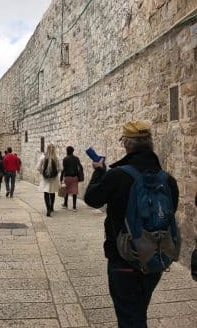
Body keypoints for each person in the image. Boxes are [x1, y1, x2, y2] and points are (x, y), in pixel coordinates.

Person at [84, 120, 179, 328]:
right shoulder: (167, 180)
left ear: (126, 144)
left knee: (129, 318)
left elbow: (92, 199)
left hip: (123, 260)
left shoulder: (117, 175)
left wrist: (99, 171)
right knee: (138, 311)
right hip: (154, 259)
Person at [37, 143, 60, 217]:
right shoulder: (56, 158)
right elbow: (59, 168)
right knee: (52, 192)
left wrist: (43, 173)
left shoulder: (43, 157)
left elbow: (38, 167)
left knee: (46, 193)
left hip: (45, 178)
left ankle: (48, 209)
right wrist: (55, 173)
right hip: (54, 178)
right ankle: (52, 207)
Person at [60, 146, 83, 211]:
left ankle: (65, 204)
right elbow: (80, 167)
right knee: (74, 192)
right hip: (75, 177)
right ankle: (74, 207)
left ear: (67, 151)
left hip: (67, 176)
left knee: (66, 191)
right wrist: (79, 175)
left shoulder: (65, 159)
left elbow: (63, 169)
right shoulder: (76, 158)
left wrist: (61, 178)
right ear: (73, 151)